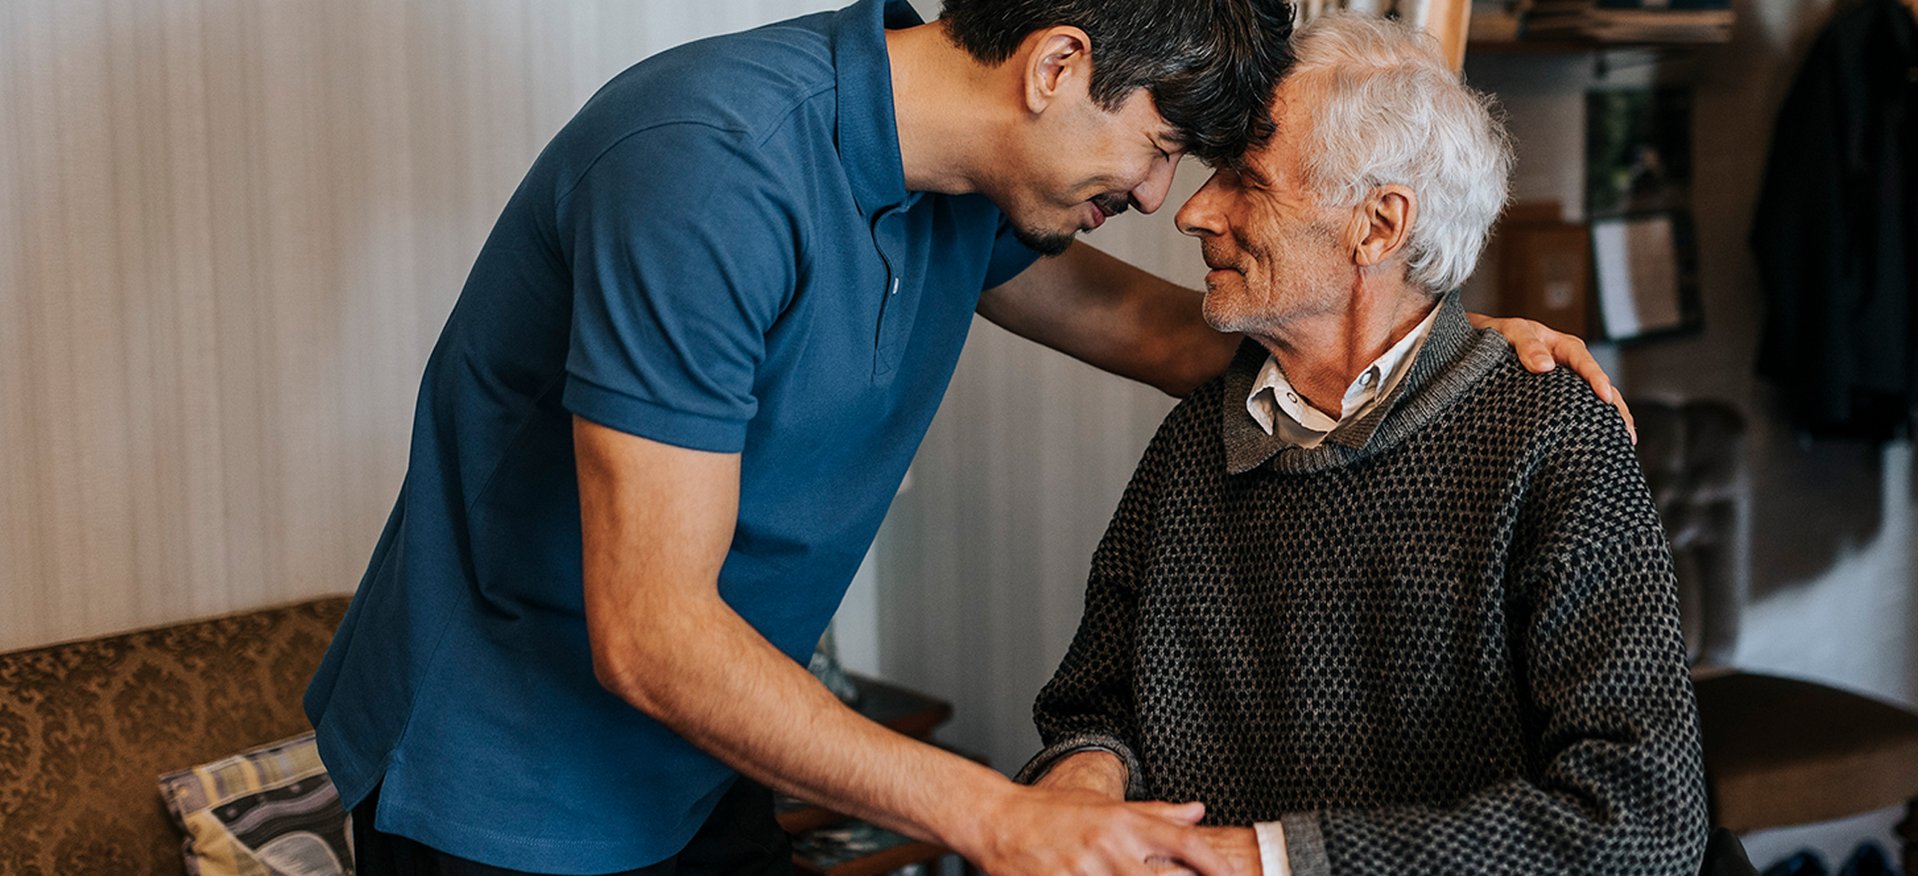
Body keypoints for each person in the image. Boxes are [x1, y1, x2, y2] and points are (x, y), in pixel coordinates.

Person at [301, 0, 1628, 874]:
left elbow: (1174, 335)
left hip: (706, 762)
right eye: (1160, 146)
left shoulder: (966, 183)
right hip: (508, 777)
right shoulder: (709, 172)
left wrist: (1452, 342)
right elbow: (650, 635)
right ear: (1057, 66)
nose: (1164, 200)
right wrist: (996, 814)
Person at [1019, 16, 1707, 876]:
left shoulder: (1552, 442)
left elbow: (1643, 817)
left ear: (1378, 227)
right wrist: (1086, 777)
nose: (1193, 212)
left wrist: (1265, 862)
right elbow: (1094, 703)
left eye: (1246, 180)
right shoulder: (1198, 438)